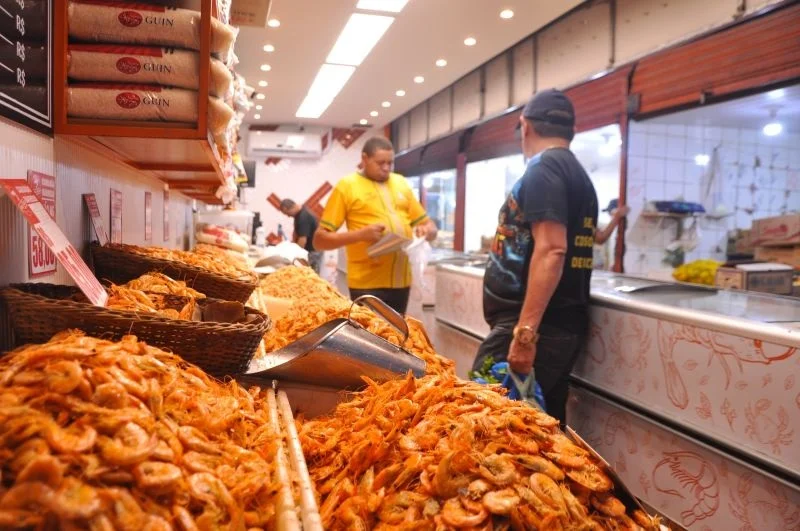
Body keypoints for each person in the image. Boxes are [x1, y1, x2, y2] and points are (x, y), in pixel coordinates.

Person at [472, 89, 599, 424]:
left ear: (524, 126)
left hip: (533, 329)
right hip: (556, 326)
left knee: (482, 424)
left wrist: (525, 335)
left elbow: (552, 249)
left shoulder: (544, 169)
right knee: (540, 432)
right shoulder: (577, 174)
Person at [313, 136, 438, 314]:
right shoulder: (347, 186)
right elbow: (320, 241)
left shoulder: (400, 182)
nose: (386, 168)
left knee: (396, 337)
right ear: (364, 159)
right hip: (367, 284)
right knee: (371, 338)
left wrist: (428, 230)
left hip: (401, 281)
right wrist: (360, 235)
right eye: (380, 163)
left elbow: (430, 226)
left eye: (390, 163)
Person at [280, 199, 322, 273]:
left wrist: (295, 255)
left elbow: (303, 239)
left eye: (287, 213)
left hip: (312, 251)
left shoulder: (303, 217)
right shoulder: (300, 213)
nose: (288, 216)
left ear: (289, 208)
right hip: (312, 249)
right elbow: (296, 232)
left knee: (309, 275)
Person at [593, 199, 630, 270]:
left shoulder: (621, 234)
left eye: (610, 213)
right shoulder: (610, 229)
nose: (609, 216)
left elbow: (600, 238)